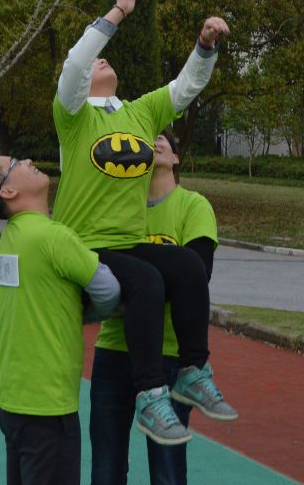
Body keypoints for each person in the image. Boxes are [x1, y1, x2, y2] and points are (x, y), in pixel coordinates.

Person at [53, 0, 236, 445]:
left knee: (188, 266)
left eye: (103, 58)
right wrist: (116, 13)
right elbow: (75, 64)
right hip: (84, 246)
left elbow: (186, 86)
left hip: (128, 245)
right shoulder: (73, 116)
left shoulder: (140, 113)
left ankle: (192, 370)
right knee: (148, 281)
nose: (101, 61)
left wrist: (205, 46)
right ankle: (150, 394)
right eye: (96, 60)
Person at [0, 152, 121, 485]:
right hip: (47, 405)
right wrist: (89, 313)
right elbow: (109, 289)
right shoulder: (53, 237)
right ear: (8, 192)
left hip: (11, 398)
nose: (27, 160)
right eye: (14, 163)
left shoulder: (11, 237)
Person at [90, 132, 219, 485]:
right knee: (106, 467)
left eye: (163, 139)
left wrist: (135, 291)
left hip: (169, 354)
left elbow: (197, 277)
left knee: (167, 472)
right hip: (114, 349)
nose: (156, 142)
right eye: (149, 139)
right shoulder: (120, 211)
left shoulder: (193, 206)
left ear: (176, 158)